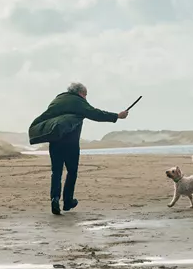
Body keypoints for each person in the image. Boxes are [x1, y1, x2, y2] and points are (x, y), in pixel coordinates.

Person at [28, 82, 128, 215]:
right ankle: (68, 201)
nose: (85, 98)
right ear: (80, 93)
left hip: (55, 142)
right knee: (72, 171)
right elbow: (95, 114)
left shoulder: (57, 100)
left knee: (56, 171)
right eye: (85, 95)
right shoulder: (77, 101)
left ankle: (55, 198)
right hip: (71, 143)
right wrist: (117, 116)